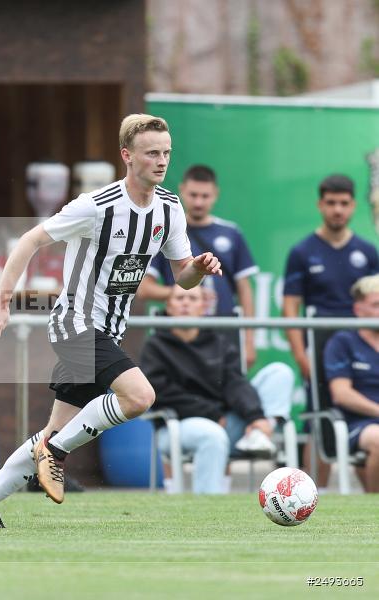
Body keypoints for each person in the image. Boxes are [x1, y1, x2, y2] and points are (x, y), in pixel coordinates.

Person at [0, 114, 222, 528]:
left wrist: (199, 269)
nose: (161, 161)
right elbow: (30, 240)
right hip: (75, 323)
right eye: (152, 153)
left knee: (54, 430)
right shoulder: (95, 206)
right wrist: (0, 300)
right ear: (127, 156)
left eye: (166, 153)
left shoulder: (170, 210)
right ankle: (56, 453)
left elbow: (182, 277)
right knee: (139, 396)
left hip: (108, 334)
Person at [140, 285, 294, 494]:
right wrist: (211, 413)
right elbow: (162, 393)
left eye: (192, 298)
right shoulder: (155, 346)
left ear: (203, 306)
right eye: (179, 298)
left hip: (227, 424)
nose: (185, 303)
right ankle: (207, 514)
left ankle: (260, 431)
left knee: (280, 372)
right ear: (168, 306)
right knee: (211, 435)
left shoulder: (218, 342)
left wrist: (255, 416)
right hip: (177, 426)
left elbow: (235, 383)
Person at [283, 174, 379, 487]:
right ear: (320, 205)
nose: (338, 209)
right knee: (318, 423)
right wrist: (301, 356)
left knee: (362, 420)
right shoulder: (302, 251)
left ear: (353, 206)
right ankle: (312, 494)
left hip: (364, 344)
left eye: (344, 203)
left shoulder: (367, 251)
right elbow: (290, 308)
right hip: (320, 347)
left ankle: (368, 499)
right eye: (331, 203)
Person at [138, 165, 259, 368]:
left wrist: (249, 341)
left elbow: (245, 291)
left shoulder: (232, 233)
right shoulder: (165, 232)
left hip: (224, 327)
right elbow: (144, 289)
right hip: (179, 330)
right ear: (182, 190)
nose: (199, 202)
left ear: (216, 195)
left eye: (205, 196)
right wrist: (185, 295)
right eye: (193, 195)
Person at [323, 274, 379, 493]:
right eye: (376, 305)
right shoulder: (342, 341)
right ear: (358, 310)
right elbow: (341, 393)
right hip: (358, 425)